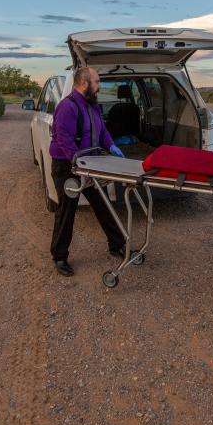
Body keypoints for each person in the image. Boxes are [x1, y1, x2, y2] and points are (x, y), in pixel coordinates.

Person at [49, 66, 127, 277]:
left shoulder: (92, 106)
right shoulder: (68, 107)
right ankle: (60, 256)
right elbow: (63, 139)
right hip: (67, 166)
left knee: (102, 204)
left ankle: (117, 244)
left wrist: (110, 145)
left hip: (88, 164)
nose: (99, 86)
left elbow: (102, 130)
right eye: (97, 82)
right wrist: (79, 164)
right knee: (67, 211)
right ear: (85, 83)